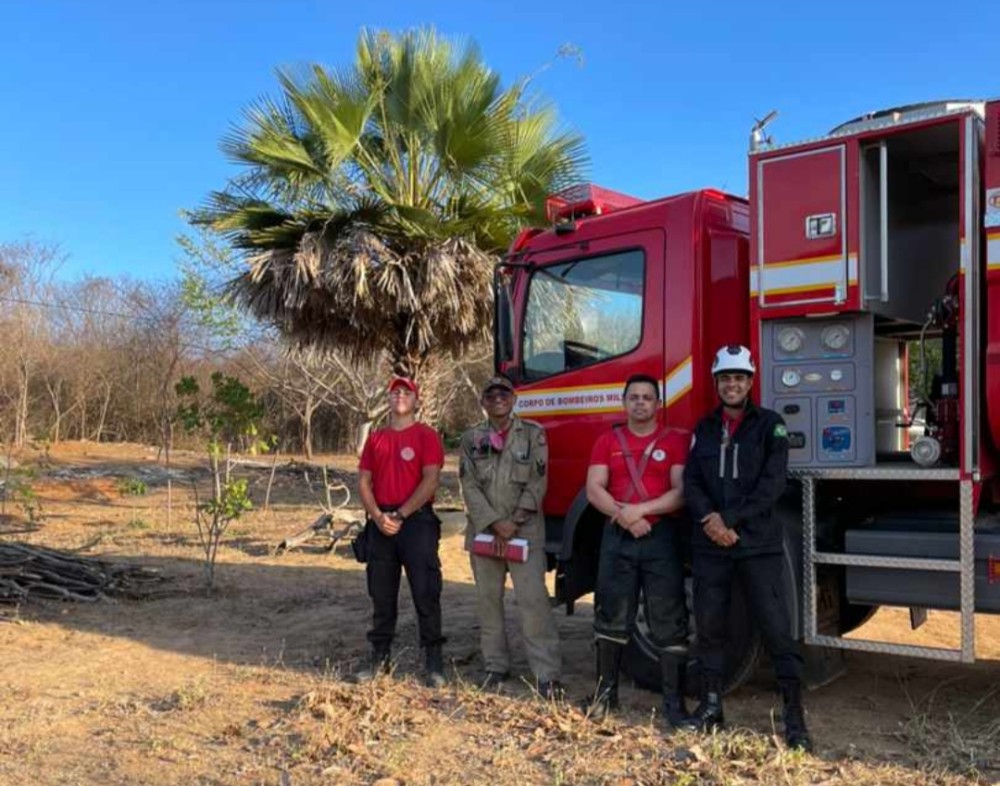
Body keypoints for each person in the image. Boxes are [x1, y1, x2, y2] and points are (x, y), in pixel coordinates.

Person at [683, 345, 812, 751]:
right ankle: (711, 706)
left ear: (751, 382)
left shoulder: (771, 426)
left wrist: (730, 520)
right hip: (711, 546)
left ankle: (794, 719)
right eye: (725, 378)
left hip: (756, 544)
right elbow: (692, 483)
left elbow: (772, 486)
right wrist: (710, 520)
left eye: (739, 377)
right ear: (717, 383)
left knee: (776, 629)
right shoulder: (703, 428)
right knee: (710, 628)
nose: (732, 384)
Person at [585, 373, 694, 730]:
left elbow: (680, 493)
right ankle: (605, 697)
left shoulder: (676, 441)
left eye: (648, 397)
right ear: (624, 402)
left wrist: (641, 512)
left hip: (661, 537)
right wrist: (624, 516)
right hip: (618, 537)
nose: (641, 403)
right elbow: (594, 489)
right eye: (634, 397)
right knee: (611, 616)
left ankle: (674, 706)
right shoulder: (607, 441)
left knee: (668, 620)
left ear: (658, 404)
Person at [459, 376, 562, 698]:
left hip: (525, 530)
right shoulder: (471, 437)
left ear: (514, 399)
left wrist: (513, 522)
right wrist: (492, 523)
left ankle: (546, 674)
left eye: (504, 393)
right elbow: (469, 485)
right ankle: (495, 667)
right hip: (484, 532)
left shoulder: (533, 434)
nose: (498, 398)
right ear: (483, 402)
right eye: (491, 395)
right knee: (489, 602)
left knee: (533, 602)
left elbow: (538, 482)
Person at [355, 375, 447, 688]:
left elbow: (431, 480)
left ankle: (433, 658)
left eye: (406, 392)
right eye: (394, 392)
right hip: (381, 522)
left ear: (416, 401)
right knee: (381, 593)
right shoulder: (376, 438)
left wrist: (402, 514)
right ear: (389, 400)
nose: (399, 396)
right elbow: (364, 482)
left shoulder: (426, 436)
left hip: (416, 522)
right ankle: (380, 656)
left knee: (426, 590)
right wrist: (379, 516)